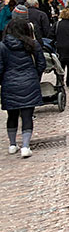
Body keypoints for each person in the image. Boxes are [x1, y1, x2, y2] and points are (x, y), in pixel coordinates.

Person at [1, 18, 46, 158]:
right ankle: (25, 146)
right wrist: (35, 76)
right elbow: (41, 63)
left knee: (12, 115)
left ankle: (12, 144)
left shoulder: (2, 46)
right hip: (29, 82)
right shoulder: (32, 44)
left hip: (10, 83)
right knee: (27, 115)